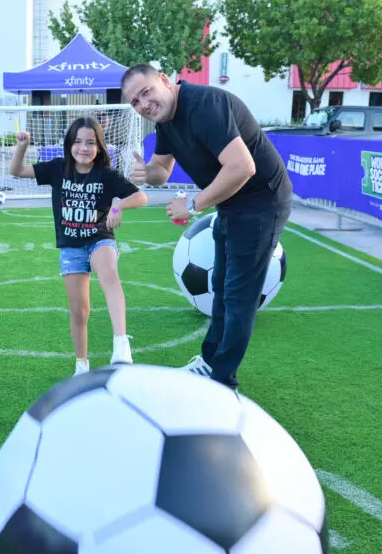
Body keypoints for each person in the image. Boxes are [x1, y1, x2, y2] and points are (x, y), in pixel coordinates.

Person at [121, 64, 293, 391]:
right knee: (221, 286)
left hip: (261, 202)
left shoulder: (204, 105)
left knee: (239, 296)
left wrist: (192, 204)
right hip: (232, 203)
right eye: (134, 102)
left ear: (164, 81)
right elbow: (162, 169)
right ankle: (211, 361)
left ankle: (222, 383)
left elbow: (242, 167)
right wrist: (145, 174)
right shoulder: (166, 121)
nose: (143, 104)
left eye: (146, 92)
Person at [8, 116, 149, 375]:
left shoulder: (106, 174)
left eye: (90, 143)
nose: (83, 148)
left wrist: (118, 205)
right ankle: (81, 366)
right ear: (69, 144)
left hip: (99, 238)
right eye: (78, 142)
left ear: (99, 147)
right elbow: (16, 171)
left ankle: (121, 345)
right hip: (71, 246)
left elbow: (141, 196)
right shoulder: (57, 169)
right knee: (79, 310)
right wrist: (21, 147)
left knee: (110, 276)